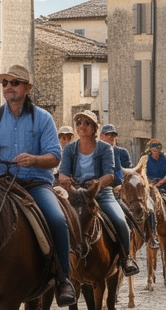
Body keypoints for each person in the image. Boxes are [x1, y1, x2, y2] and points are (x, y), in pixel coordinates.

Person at [0, 64, 76, 307]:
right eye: (5, 83)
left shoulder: (43, 118)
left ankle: (63, 279)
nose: (8, 87)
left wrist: (34, 160)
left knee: (58, 220)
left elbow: (54, 156)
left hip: (34, 183)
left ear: (27, 88)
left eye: (14, 83)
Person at [57, 111, 138, 276]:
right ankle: (56, 262)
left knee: (120, 220)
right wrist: (67, 182)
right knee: (56, 220)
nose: (81, 125)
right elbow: (63, 173)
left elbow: (109, 175)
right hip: (76, 195)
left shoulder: (105, 148)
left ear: (94, 128)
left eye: (86, 122)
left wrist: (96, 185)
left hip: (101, 194)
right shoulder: (70, 149)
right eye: (78, 122)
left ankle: (126, 257)